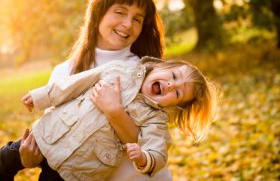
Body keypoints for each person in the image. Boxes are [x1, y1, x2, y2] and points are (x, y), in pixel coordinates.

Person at [0, 0, 171, 181]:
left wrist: (114, 111)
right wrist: (29, 159)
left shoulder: (142, 73)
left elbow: (151, 142)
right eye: (120, 12)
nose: (127, 24)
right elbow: (57, 138)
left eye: (137, 19)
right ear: (99, 13)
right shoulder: (65, 71)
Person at [20, 56, 217, 181]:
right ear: (160, 66)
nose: (171, 85)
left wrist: (143, 158)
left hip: (75, 172)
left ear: (173, 105)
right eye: (173, 75)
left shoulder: (155, 120)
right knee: (5, 159)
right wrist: (40, 97)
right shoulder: (119, 70)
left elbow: (158, 152)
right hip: (49, 135)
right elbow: (73, 84)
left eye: (177, 93)